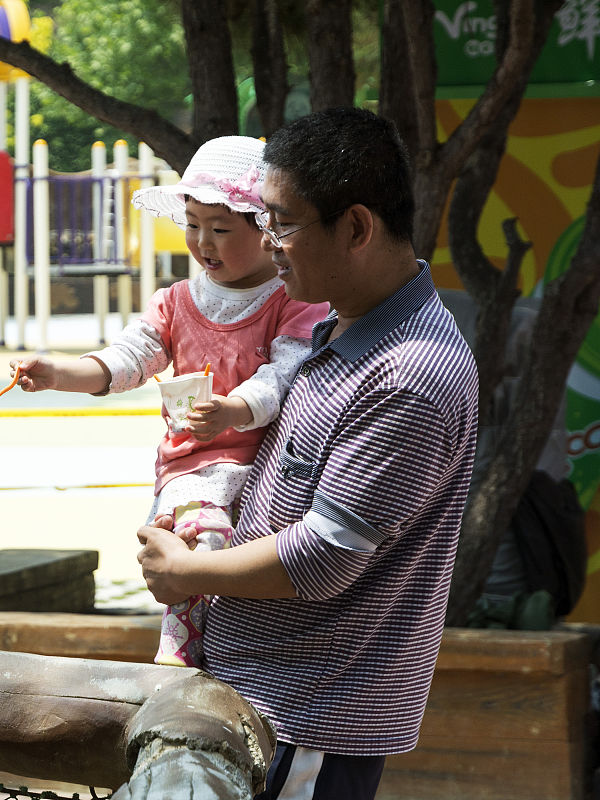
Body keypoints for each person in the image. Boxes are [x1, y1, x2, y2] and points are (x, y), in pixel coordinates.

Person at [135, 107, 479, 800]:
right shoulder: (333, 325)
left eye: (282, 223)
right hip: (262, 697)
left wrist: (186, 571)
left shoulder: (406, 377)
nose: (267, 243)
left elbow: (322, 556)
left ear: (355, 228)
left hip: (307, 719)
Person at [5, 136, 328, 667]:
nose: (202, 242)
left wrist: (234, 409)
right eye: (192, 225)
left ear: (266, 228)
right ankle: (180, 650)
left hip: (272, 469)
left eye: (220, 228)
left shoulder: (292, 300)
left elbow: (285, 372)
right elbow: (129, 358)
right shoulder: (176, 301)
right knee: (199, 537)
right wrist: (60, 372)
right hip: (196, 469)